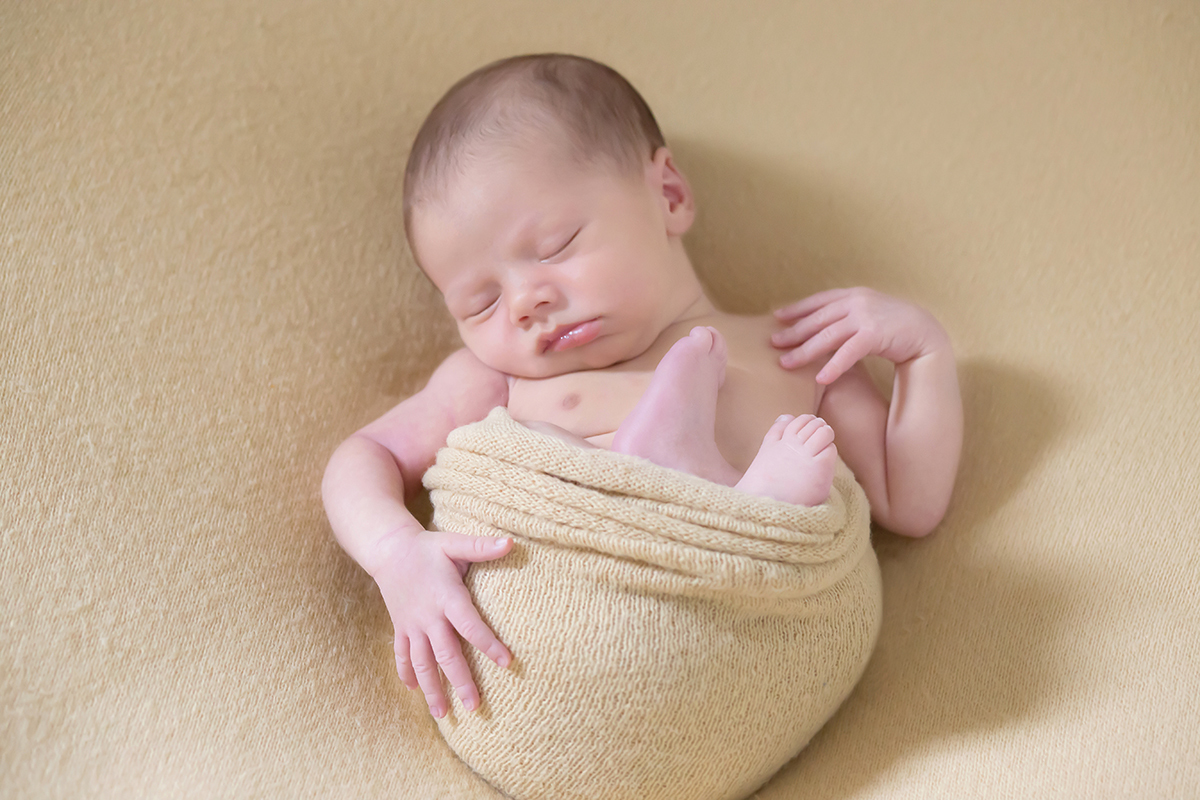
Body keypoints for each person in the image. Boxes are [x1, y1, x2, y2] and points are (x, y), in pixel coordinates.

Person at [321, 53, 962, 722]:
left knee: (799, 508)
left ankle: (732, 505)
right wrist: (395, 553)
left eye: (555, 245)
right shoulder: (495, 381)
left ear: (669, 196)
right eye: (480, 303)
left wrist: (924, 353)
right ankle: (694, 481)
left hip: (744, 668)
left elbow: (910, 502)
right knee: (537, 449)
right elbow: (365, 455)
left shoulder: (795, 353)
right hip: (555, 674)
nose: (526, 303)